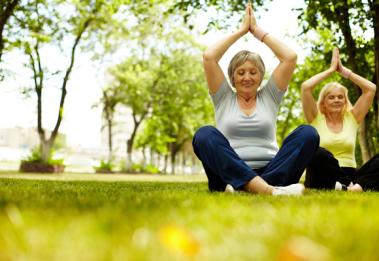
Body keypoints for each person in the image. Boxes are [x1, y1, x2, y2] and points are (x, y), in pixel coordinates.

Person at [192, 3, 319, 196]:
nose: (247, 77)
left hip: (272, 170)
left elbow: (290, 57)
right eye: (240, 72)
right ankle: (268, 190)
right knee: (204, 134)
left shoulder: (269, 96)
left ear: (261, 76)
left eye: (253, 72)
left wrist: (258, 32)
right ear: (232, 77)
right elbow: (209, 57)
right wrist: (242, 31)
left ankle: (247, 188)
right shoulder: (223, 97)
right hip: (227, 173)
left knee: (308, 133)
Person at [301, 47, 378, 192]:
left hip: (349, 176)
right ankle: (350, 187)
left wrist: (344, 71)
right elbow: (306, 87)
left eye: (340, 97)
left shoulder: (353, 117)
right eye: (331, 97)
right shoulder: (315, 117)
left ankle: (350, 188)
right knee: (316, 152)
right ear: (323, 102)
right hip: (322, 173)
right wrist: (331, 70)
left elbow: (370, 89)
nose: (336, 100)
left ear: (345, 100)